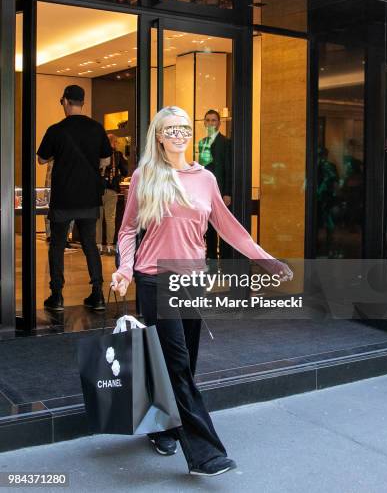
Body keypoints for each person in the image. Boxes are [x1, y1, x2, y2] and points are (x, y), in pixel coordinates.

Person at [111, 106, 292, 477]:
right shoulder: (146, 175)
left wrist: (267, 259)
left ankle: (164, 426)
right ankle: (205, 455)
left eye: (183, 128)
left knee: (184, 363)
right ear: (158, 136)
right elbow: (128, 230)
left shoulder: (205, 178)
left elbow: (230, 229)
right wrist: (123, 270)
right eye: (170, 129)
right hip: (155, 278)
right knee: (176, 362)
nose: (178, 134)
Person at [37, 85, 112, 311]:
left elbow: (41, 159)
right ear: (82, 102)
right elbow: (106, 160)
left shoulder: (56, 129)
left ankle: (57, 295)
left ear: (66, 101)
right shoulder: (97, 128)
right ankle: (97, 294)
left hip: (64, 198)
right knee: (89, 244)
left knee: (57, 245)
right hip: (89, 197)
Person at [198, 109, 232, 261]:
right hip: (205, 193)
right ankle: (210, 259)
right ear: (204, 123)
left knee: (223, 228)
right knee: (209, 228)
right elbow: (202, 168)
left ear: (219, 123)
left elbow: (229, 169)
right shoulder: (201, 143)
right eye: (208, 120)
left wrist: (227, 193)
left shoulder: (226, 143)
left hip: (221, 192)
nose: (210, 123)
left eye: (213, 120)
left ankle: (225, 262)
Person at [96, 133, 128, 256]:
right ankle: (109, 246)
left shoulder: (97, 153)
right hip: (111, 190)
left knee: (98, 218)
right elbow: (125, 171)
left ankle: (98, 245)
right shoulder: (118, 155)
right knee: (110, 218)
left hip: (98, 190)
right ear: (114, 143)